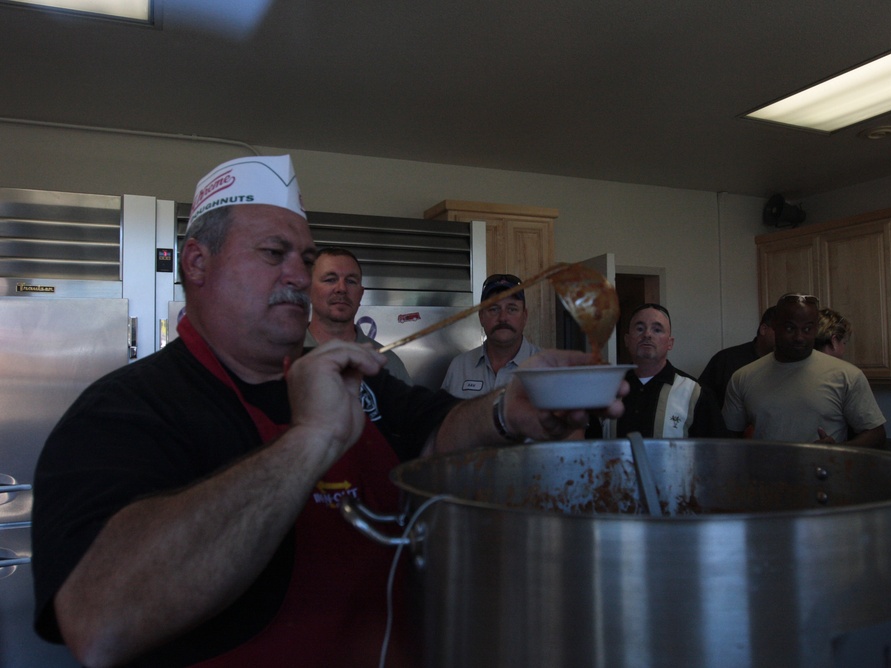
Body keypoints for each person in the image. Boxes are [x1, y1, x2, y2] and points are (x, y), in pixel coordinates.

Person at [31, 155, 625, 668]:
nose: (300, 274)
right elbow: (99, 623)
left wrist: (509, 407)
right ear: (197, 264)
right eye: (274, 253)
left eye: (305, 255)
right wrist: (308, 440)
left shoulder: (355, 377)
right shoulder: (125, 411)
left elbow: (437, 433)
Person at [722, 293, 886, 446]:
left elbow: (876, 434)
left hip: (824, 474)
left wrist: (838, 451)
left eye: (807, 329)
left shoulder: (847, 376)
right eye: (790, 328)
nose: (799, 337)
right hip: (765, 475)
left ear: (815, 329)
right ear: (775, 327)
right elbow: (730, 439)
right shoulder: (743, 377)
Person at [592, 303, 726, 438]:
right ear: (627, 340)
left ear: (670, 343)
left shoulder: (695, 393)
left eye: (657, 329)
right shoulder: (605, 390)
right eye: (640, 328)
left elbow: (716, 453)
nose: (647, 334)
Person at [305, 246, 412, 383]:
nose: (342, 289)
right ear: (307, 290)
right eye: (330, 279)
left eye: (351, 281)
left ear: (361, 295)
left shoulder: (387, 363)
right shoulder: (284, 356)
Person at [441, 273, 540, 398]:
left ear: (524, 316)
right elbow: (444, 416)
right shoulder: (459, 367)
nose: (503, 318)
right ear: (481, 316)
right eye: (494, 309)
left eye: (512, 309)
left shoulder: (547, 368)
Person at [698, 306, 776, 409]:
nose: (788, 336)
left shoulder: (793, 364)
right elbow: (701, 402)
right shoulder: (725, 360)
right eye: (782, 329)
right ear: (763, 329)